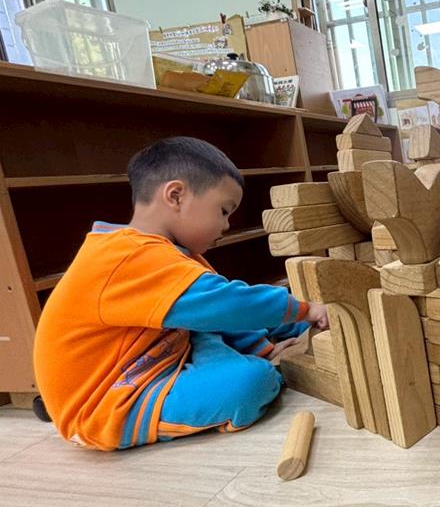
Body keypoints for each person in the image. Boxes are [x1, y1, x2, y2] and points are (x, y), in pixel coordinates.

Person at [33, 137, 327, 450]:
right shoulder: (125, 256)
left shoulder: (172, 254)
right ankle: (265, 353)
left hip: (156, 360)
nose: (226, 225)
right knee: (254, 383)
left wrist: (272, 343)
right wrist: (303, 310)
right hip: (108, 403)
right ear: (176, 196)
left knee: (227, 315)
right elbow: (225, 306)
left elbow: (224, 313)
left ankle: (290, 337)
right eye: (223, 211)